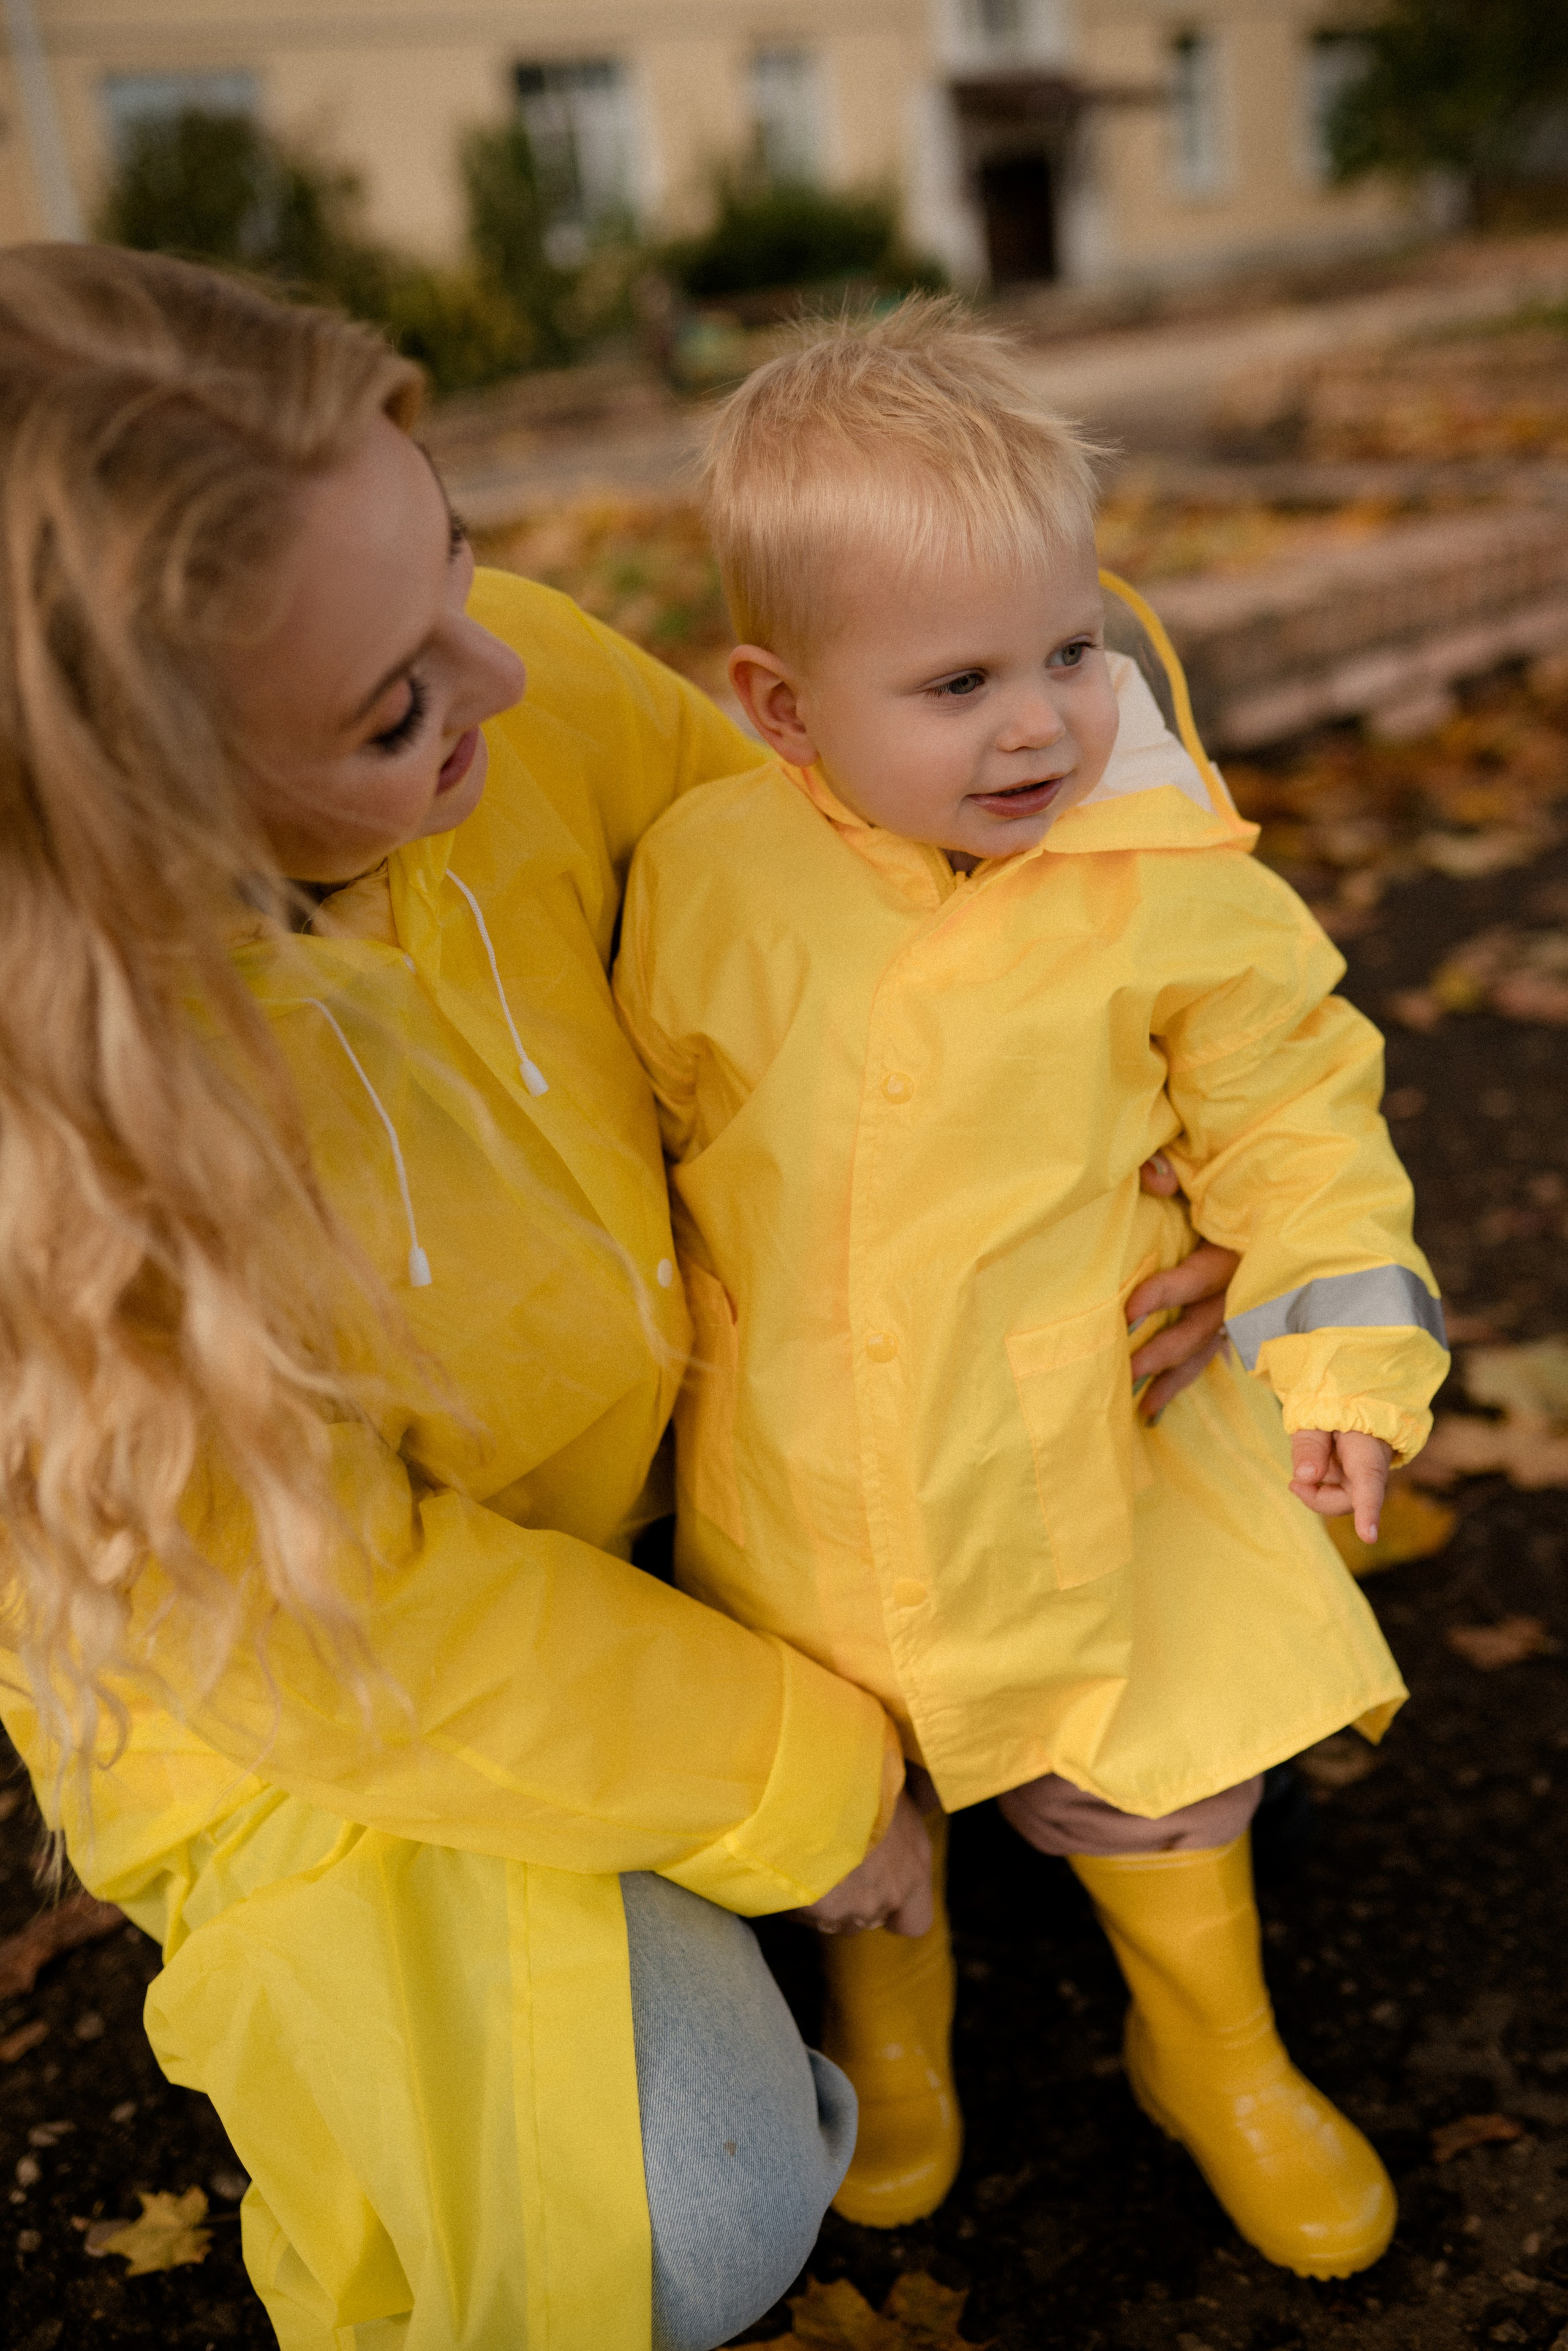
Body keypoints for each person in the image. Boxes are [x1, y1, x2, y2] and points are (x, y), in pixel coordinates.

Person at [0, 246, 1242, 2350]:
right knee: (688, 2214)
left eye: (458, 565)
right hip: (363, 1702)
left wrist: (1178, 1155)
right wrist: (806, 1767)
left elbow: (878, 859)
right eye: (394, 707)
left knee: (1227, 1630)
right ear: (129, 838)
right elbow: (359, 1634)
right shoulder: (57, 1196)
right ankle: (743, 1861)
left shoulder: (519, 679)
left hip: (736, 1455)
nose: (504, 679)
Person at [612, 299, 1450, 2281]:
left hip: (1093, 1441)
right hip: (813, 1453)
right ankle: (894, 2051)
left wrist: (1337, 1339)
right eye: (961, 679)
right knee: (860, 1767)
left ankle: (1211, 2045)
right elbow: (654, 1120)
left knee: (1167, 1753)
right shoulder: (716, 876)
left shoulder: (1160, 875)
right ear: (785, 704)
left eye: (1074, 651)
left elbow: (1294, 1105)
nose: (1037, 722)